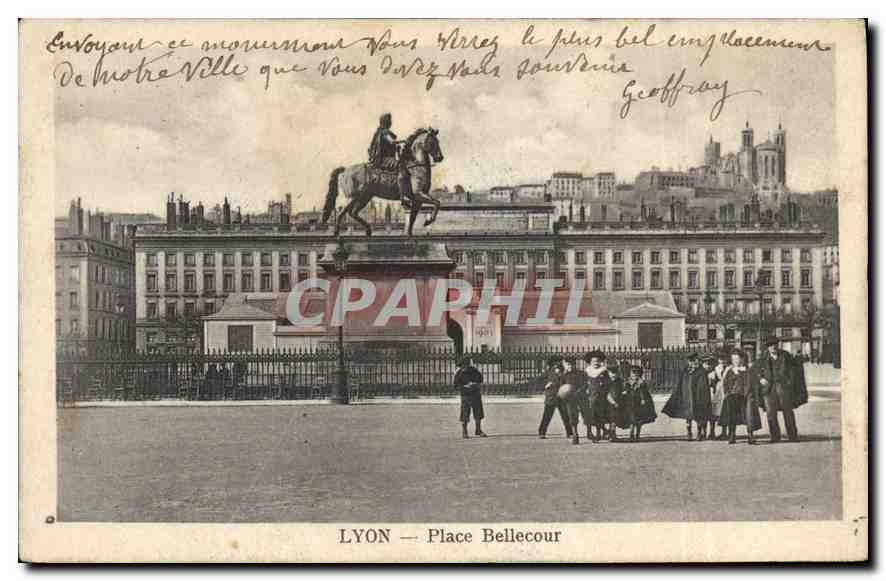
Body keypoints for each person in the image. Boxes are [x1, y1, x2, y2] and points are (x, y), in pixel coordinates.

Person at [756, 337, 808, 442]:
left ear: (778, 345)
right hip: (769, 389)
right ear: (767, 347)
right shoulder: (763, 357)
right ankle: (775, 436)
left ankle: (792, 435)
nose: (773, 347)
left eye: (775, 344)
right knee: (771, 413)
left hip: (784, 387)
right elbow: (756, 370)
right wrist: (760, 378)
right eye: (770, 345)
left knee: (788, 411)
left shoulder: (786, 355)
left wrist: (789, 382)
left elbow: (795, 369)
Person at [662, 352, 711, 441]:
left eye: (694, 360)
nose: (692, 363)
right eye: (690, 361)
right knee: (688, 417)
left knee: (698, 416)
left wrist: (703, 397)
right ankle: (689, 433)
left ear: (697, 360)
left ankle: (699, 433)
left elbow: (704, 386)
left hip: (698, 397)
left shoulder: (701, 371)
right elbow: (680, 383)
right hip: (687, 397)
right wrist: (678, 393)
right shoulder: (685, 370)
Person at [719, 349, 762, 444]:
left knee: (749, 414)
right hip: (733, 395)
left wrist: (752, 395)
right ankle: (732, 435)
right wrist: (727, 393)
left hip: (747, 396)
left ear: (742, 359)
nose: (735, 361)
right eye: (733, 359)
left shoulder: (748, 370)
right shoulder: (730, 371)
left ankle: (750, 435)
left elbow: (753, 384)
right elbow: (725, 384)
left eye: (737, 359)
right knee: (731, 414)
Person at [367, 112, 411, 204]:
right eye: (389, 120)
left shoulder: (380, 132)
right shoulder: (384, 132)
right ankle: (403, 196)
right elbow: (391, 142)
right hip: (383, 159)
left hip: (385, 158)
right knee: (401, 166)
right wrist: (404, 141)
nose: (391, 122)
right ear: (386, 122)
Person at [538, 357, 573, 440]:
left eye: (558, 363)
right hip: (551, 397)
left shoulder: (565, 372)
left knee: (566, 416)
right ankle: (542, 432)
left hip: (562, 397)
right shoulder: (548, 372)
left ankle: (570, 432)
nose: (557, 365)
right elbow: (539, 380)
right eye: (555, 364)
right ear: (552, 365)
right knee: (547, 416)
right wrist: (545, 385)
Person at [454, 356, 486, 439]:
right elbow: (456, 385)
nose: (462, 367)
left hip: (475, 394)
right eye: (461, 366)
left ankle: (478, 430)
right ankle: (464, 432)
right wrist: (465, 386)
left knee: (478, 413)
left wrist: (475, 384)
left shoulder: (474, 371)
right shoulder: (459, 373)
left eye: (464, 365)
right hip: (465, 395)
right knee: (465, 413)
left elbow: (480, 380)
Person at [583, 350, 611, 443]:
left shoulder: (604, 370)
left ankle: (599, 433)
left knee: (600, 415)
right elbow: (583, 382)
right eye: (593, 361)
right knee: (589, 415)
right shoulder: (587, 371)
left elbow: (608, 382)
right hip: (589, 395)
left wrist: (604, 384)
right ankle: (589, 432)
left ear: (600, 361)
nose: (595, 363)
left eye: (597, 361)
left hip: (601, 396)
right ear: (590, 362)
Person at [561, 358, 590, 445]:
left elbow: (586, 384)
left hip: (582, 397)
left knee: (586, 415)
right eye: (567, 365)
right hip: (570, 399)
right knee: (572, 417)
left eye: (571, 365)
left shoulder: (582, 373)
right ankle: (575, 435)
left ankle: (589, 432)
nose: (569, 366)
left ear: (574, 365)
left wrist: (579, 391)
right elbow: (561, 387)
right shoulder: (564, 375)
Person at [625, 365, 657, 441]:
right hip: (630, 403)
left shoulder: (641, 383)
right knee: (631, 420)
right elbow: (626, 390)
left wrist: (643, 399)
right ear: (630, 374)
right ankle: (631, 434)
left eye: (637, 374)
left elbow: (643, 393)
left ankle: (637, 434)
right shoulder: (628, 382)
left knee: (639, 420)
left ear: (639, 374)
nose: (635, 375)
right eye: (633, 373)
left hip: (639, 404)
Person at [605, 359, 631, 442]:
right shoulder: (607, 382)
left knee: (614, 419)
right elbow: (606, 393)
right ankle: (609, 433)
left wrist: (624, 392)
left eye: (615, 373)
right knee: (610, 418)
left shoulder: (619, 381)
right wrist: (613, 402)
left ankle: (612, 434)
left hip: (618, 402)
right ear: (608, 373)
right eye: (611, 373)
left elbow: (623, 390)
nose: (613, 375)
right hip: (608, 402)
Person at [708, 353, 729, 440]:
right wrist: (713, 388)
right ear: (718, 360)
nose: (722, 361)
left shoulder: (729, 368)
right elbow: (712, 380)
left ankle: (724, 433)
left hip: (726, 390)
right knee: (714, 411)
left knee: (724, 411)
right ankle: (712, 432)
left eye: (724, 359)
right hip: (717, 390)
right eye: (721, 359)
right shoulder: (716, 368)